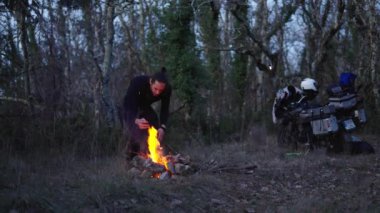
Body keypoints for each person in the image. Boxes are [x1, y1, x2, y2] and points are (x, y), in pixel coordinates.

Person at [123, 67, 172, 161]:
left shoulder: (167, 89)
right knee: (136, 132)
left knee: (154, 123)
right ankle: (131, 159)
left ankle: (154, 156)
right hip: (129, 107)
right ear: (150, 82)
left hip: (145, 106)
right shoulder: (138, 82)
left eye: (160, 90)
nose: (157, 93)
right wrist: (135, 120)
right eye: (155, 89)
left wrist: (162, 127)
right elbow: (128, 106)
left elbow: (165, 109)